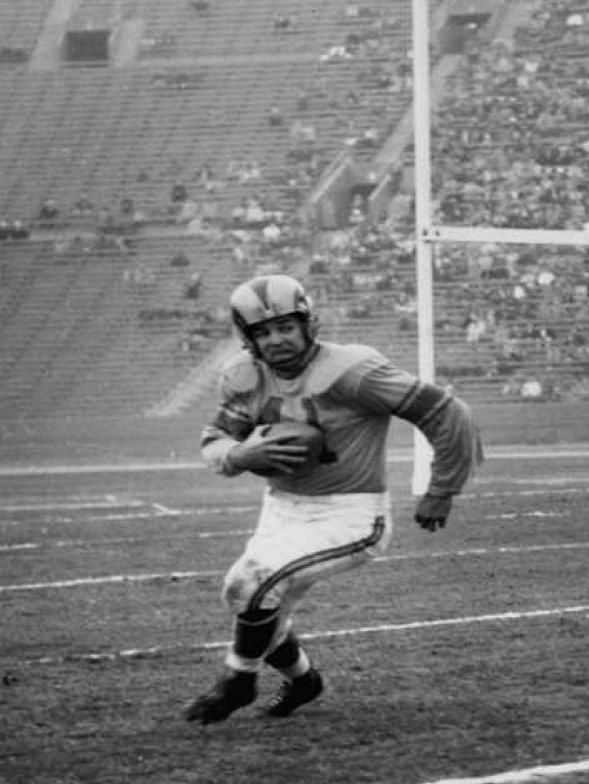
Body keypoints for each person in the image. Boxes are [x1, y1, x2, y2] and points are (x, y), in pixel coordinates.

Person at [185, 274, 482, 723]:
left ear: (308, 323)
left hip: (351, 513)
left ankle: (238, 679)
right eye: (263, 332)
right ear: (249, 340)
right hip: (282, 507)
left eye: (285, 326)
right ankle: (304, 681)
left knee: (253, 582)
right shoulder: (245, 377)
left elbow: (446, 411)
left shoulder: (352, 370)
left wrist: (441, 490)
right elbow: (215, 440)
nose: (277, 339)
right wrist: (240, 452)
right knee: (248, 597)